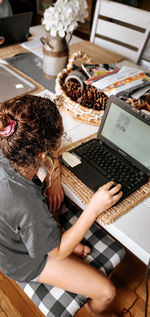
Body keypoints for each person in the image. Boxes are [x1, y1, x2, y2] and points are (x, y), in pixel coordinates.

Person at [0, 94, 123, 317]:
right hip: (22, 259)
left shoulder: (9, 143)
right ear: (40, 153)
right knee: (107, 291)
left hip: (13, 232)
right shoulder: (25, 201)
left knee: (50, 211)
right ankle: (98, 312)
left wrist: (54, 175)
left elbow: (50, 153)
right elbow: (56, 254)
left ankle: (56, 238)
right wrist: (93, 208)